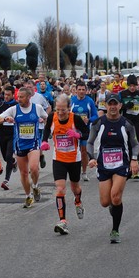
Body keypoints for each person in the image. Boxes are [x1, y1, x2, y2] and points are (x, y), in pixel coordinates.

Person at [87, 93, 139, 243]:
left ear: (120, 106)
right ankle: (113, 208)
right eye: (110, 104)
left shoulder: (127, 124)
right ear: (106, 106)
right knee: (105, 202)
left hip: (121, 164)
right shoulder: (99, 123)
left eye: (115, 104)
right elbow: (90, 142)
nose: (112, 107)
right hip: (103, 165)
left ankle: (115, 230)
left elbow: (135, 144)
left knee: (115, 196)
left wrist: (134, 160)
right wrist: (91, 157)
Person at [41, 94, 89, 235]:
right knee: (60, 189)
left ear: (69, 108)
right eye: (58, 109)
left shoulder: (75, 118)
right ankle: (63, 221)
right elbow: (46, 130)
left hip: (74, 159)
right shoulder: (52, 117)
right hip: (59, 159)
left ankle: (78, 202)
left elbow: (86, 133)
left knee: (75, 188)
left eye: (63, 110)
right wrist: (44, 141)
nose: (60, 113)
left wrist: (77, 135)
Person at [0, 87, 48, 208]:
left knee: (33, 168)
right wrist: (6, 119)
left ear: (29, 97)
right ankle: (29, 196)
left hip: (33, 143)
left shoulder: (37, 108)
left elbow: (46, 116)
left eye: (21, 97)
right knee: (23, 173)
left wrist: (43, 121)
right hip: (20, 145)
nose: (19, 99)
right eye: (18, 97)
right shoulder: (14, 109)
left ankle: (35, 186)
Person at [70, 80, 98, 181]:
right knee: (73, 151)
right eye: (79, 90)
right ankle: (75, 170)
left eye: (83, 90)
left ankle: (84, 172)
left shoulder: (89, 101)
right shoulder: (72, 100)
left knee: (84, 151)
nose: (81, 91)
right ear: (76, 91)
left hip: (86, 130)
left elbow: (95, 115)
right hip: (74, 130)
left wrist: (89, 120)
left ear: (86, 91)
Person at [0, 86, 18, 190]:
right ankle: (13, 161)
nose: (6, 97)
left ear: (13, 94)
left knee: (8, 156)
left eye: (8, 95)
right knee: (5, 157)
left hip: (13, 134)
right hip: (2, 134)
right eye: (5, 94)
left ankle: (6, 180)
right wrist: (3, 120)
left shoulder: (17, 106)